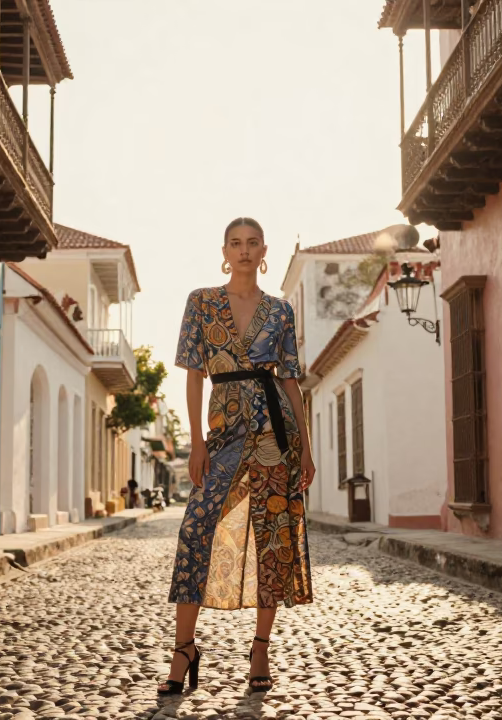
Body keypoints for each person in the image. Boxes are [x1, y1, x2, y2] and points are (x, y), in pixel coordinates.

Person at [158, 217, 316, 697]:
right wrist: (196, 442)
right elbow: (191, 374)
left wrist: (305, 447)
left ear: (262, 249)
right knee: (195, 530)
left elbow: (289, 380)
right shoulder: (201, 302)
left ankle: (261, 647)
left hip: (274, 434)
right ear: (224, 250)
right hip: (223, 434)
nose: (244, 251)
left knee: (272, 540)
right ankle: (184, 648)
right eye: (236, 243)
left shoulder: (280, 310)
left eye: (252, 244)